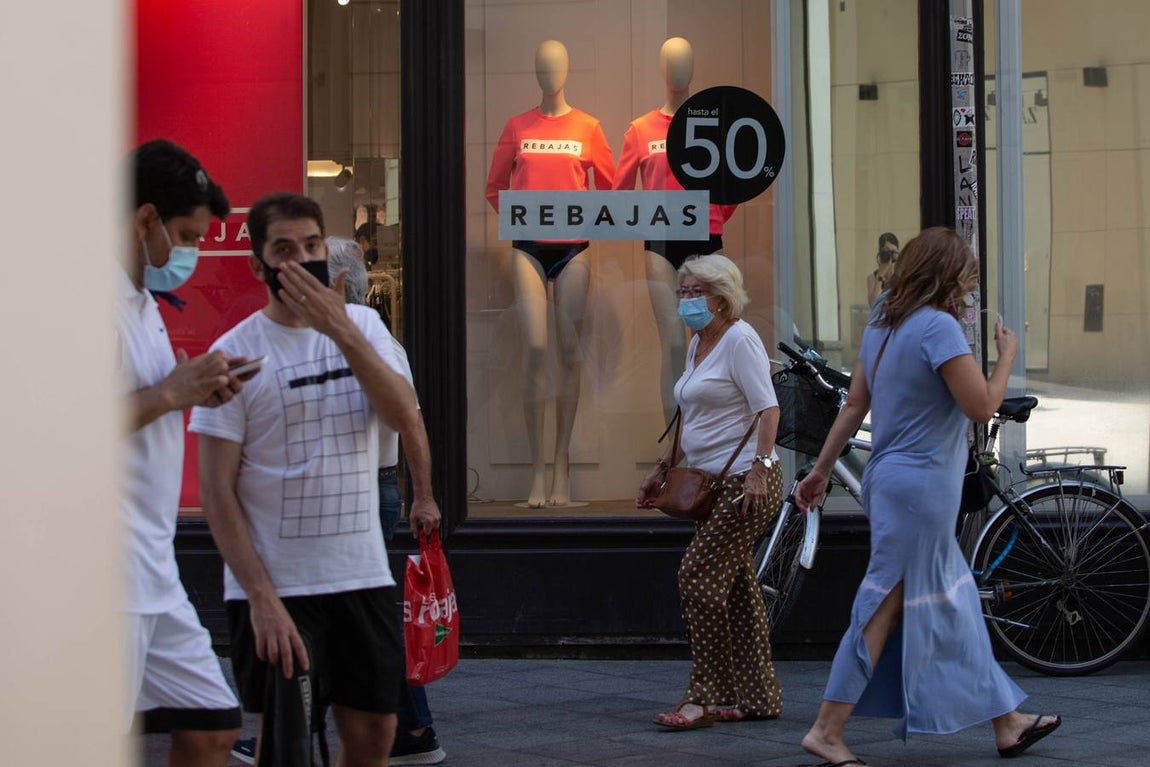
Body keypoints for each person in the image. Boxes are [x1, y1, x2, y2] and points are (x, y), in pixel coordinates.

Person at [190, 193, 442, 766]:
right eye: (284, 250)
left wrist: (341, 332)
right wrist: (260, 598)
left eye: (311, 246)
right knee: (287, 741)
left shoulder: (365, 326)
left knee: (375, 732)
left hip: (359, 573)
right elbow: (215, 492)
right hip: (278, 584)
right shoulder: (235, 352)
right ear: (257, 263)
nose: (302, 260)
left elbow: (403, 415)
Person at [795, 227, 1060, 765]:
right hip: (922, 490)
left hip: (890, 481)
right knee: (884, 601)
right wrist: (1006, 356)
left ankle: (1006, 722)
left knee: (950, 600)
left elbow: (854, 405)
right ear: (947, 277)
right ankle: (826, 729)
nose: (969, 291)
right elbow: (981, 406)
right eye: (966, 280)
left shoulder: (882, 321)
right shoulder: (938, 328)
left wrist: (821, 469)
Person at [120, 138, 244, 765]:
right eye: (188, 236)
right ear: (146, 219)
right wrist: (172, 392)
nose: (191, 253)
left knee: (213, 724)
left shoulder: (140, 299)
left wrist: (193, 390)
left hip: (153, 566)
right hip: (103, 573)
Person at [635, 254, 785, 729]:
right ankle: (758, 698)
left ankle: (705, 695)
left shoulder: (740, 339)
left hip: (745, 483)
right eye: (682, 292)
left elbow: (768, 410)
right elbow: (690, 416)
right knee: (737, 589)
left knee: (697, 577)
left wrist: (760, 470)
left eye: (695, 292)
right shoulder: (699, 341)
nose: (686, 300)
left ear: (721, 297)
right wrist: (663, 467)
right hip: (711, 481)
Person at [485, 39, 616, 507]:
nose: (549, 72)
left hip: (574, 249)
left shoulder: (588, 127)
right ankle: (537, 472)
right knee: (537, 349)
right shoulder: (517, 126)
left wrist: (586, 221)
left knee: (570, 352)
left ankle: (562, 465)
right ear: (535, 71)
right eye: (542, 65)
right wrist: (519, 218)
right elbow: (494, 187)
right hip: (528, 248)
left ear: (567, 70)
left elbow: (611, 188)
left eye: (556, 65)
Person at [613, 37, 737, 422]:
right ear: (661, 69)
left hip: (705, 237)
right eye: (671, 61)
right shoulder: (640, 130)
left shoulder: (713, 123)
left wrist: (714, 215)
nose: (678, 69)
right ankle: (674, 443)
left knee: (712, 339)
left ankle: (708, 433)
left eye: (684, 61)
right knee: (672, 342)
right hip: (660, 242)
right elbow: (619, 194)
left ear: (694, 68)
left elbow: (734, 184)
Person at [865, 231, 899, 308]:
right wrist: (880, 275)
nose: (890, 255)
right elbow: (873, 305)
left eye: (893, 252)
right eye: (887, 251)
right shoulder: (872, 277)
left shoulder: (902, 274)